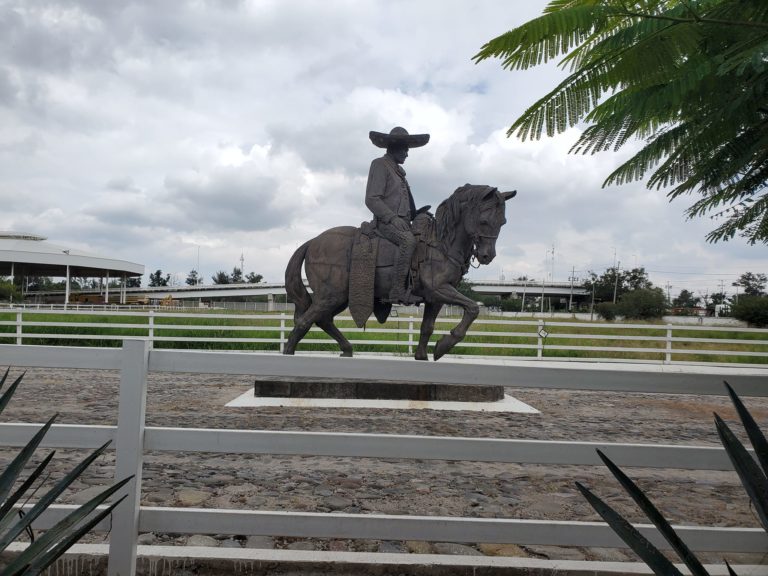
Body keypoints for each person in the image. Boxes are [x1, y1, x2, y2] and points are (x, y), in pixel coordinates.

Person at [365, 126, 430, 305]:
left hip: (403, 222)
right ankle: (397, 292)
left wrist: (419, 214)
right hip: (385, 223)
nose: (407, 154)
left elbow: (407, 204)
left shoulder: (400, 174)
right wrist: (392, 218)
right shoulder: (379, 164)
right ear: (394, 147)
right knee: (408, 241)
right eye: (405, 150)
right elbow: (372, 199)